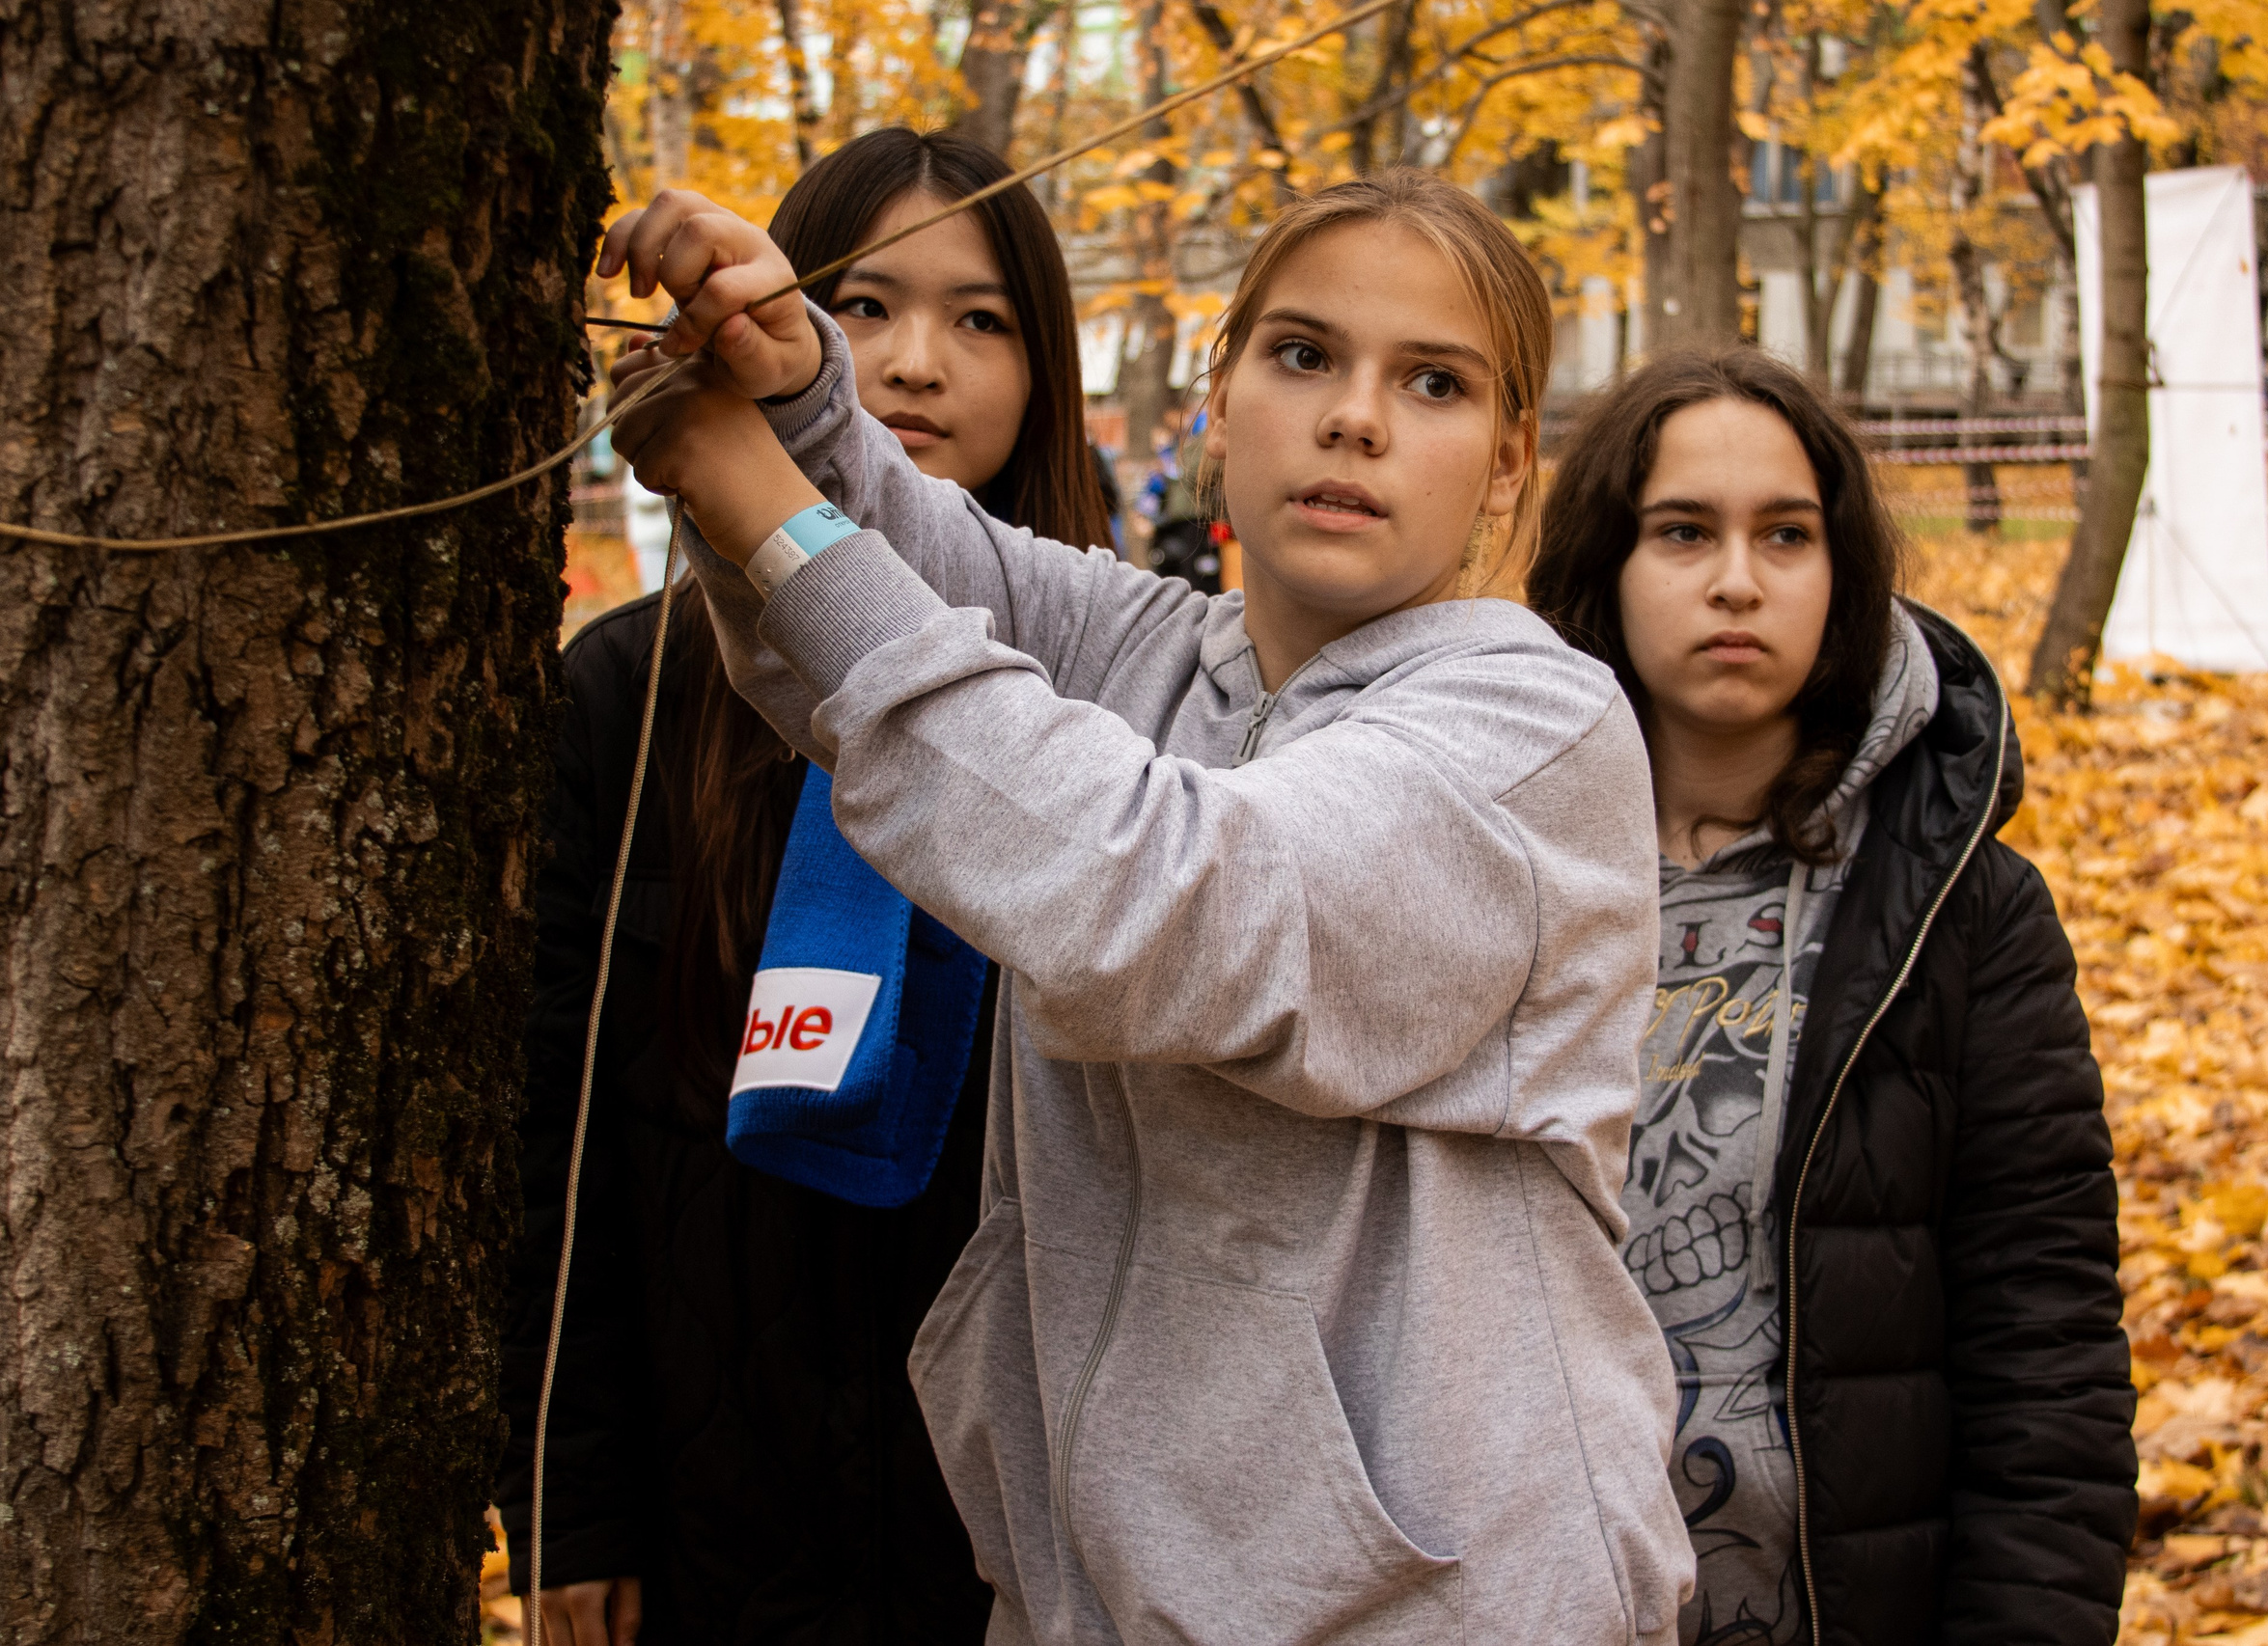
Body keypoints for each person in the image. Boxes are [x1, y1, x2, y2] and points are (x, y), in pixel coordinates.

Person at [600, 168, 1697, 1642]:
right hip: (1106, 1599)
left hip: (1444, 1609)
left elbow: (1172, 904)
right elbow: (907, 603)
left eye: (1431, 382)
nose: (1355, 416)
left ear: (1506, 466)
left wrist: (774, 512)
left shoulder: (1530, 727)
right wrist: (796, 393)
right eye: (1302, 355)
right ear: (1221, 393)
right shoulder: (1151, 648)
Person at [499, 127, 1111, 1646]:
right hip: (716, 1517)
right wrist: (574, 1496)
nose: (914, 366)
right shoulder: (627, 700)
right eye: (863, 307)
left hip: (1029, 1536)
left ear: (1043, 372)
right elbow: (550, 1144)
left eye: (981, 320)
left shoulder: (1111, 718)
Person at [1526, 346, 2138, 1645]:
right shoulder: (1492, 875)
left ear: (1843, 571)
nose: (1737, 579)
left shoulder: (1963, 915)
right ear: (1608, 566)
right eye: (1683, 530)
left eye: (1786, 535)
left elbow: (2049, 1351)